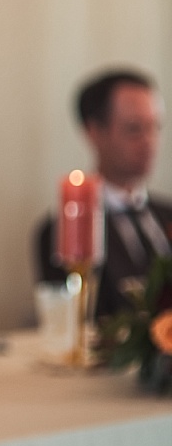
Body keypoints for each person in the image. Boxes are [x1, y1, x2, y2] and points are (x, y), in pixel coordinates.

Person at [34, 69, 170, 317]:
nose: (149, 140)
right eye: (134, 128)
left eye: (155, 127)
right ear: (94, 131)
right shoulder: (64, 229)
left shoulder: (166, 215)